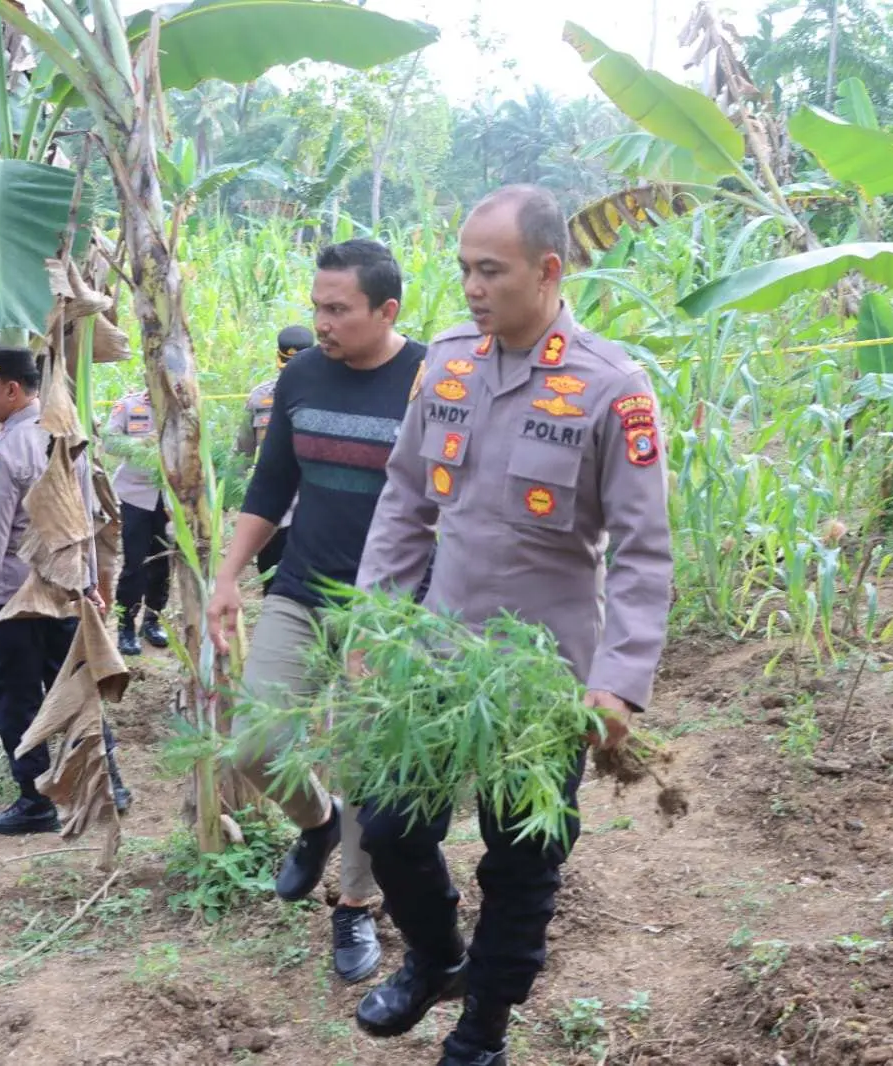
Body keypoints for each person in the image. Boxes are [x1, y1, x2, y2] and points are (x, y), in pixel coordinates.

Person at [350, 185, 673, 1066]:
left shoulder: (612, 389)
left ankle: (483, 1028)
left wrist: (618, 681)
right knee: (387, 826)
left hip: (543, 676)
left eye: (489, 270)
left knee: (520, 857)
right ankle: (438, 958)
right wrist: (376, 627)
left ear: (548, 270)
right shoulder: (447, 362)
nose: (470, 288)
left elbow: (644, 553)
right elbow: (406, 502)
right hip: (437, 655)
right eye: (463, 268)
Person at [206, 239, 428, 984]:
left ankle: (356, 908)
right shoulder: (300, 376)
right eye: (317, 308)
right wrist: (229, 576)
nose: (322, 322)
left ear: (386, 310)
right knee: (256, 740)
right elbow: (270, 488)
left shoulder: (430, 382)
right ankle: (317, 822)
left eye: (338, 309)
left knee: (370, 764)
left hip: (393, 610)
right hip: (301, 589)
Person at [0, 347, 132, 836]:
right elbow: (85, 524)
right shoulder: (66, 441)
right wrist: (89, 585)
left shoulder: (0, 455)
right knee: (76, 694)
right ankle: (109, 784)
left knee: (16, 705)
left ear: (12, 389)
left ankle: (35, 802)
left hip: (12, 605)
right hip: (66, 597)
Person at [235, 324, 315, 595]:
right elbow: (242, 450)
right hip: (273, 509)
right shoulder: (260, 398)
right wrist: (231, 494)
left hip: (315, 506)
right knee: (272, 577)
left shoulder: (332, 395)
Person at [105, 388, 171, 657]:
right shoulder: (129, 405)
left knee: (162, 563)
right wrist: (138, 445)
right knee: (135, 564)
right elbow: (109, 441)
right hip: (134, 496)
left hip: (169, 497)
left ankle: (152, 621)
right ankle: (126, 626)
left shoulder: (183, 405)